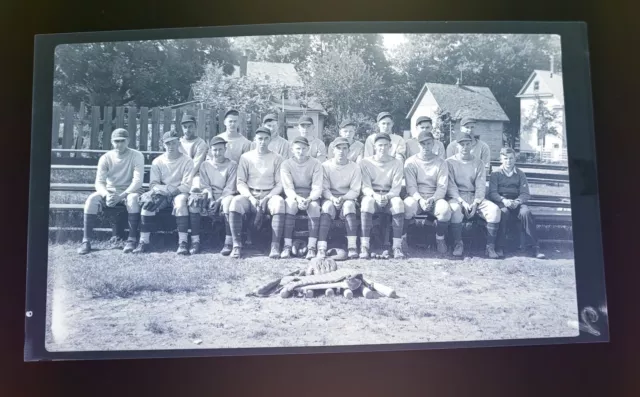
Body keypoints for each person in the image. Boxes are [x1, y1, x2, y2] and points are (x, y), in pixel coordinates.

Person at [77, 128, 145, 255]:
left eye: (122, 141)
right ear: (111, 142)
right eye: (116, 141)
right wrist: (106, 195)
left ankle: (131, 239)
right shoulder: (106, 157)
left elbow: (137, 182)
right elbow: (99, 182)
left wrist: (121, 196)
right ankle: (86, 241)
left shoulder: (137, 155)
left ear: (128, 141)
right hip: (110, 191)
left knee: (133, 199)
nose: (119, 144)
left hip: (129, 191)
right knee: (91, 200)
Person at [228, 127, 286, 259]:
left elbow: (279, 184)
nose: (263, 142)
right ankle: (237, 245)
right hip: (250, 194)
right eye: (260, 139)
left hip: (269, 195)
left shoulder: (277, 158)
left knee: (279, 203)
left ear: (270, 140)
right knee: (235, 203)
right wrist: (250, 197)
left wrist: (268, 197)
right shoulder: (246, 157)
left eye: (266, 139)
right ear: (255, 140)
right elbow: (240, 182)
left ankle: (275, 245)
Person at [135, 130, 194, 255]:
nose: (171, 146)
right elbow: (153, 184)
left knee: (181, 203)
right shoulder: (158, 161)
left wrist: (172, 191)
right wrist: (164, 190)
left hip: (179, 192)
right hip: (162, 192)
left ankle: (182, 242)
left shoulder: (187, 160)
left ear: (178, 142)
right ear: (163, 145)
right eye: (168, 144)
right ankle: (143, 241)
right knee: (148, 204)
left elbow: (187, 185)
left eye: (173, 143)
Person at [446, 133, 501, 258]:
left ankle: (490, 247)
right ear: (457, 146)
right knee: (455, 210)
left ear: (472, 145)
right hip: (457, 197)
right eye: (462, 144)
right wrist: (462, 202)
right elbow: (451, 186)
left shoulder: (479, 163)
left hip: (475, 196)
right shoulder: (449, 162)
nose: (465, 147)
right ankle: (458, 244)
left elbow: (481, 185)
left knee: (495, 210)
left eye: (467, 144)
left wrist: (476, 202)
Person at [489, 147, 546, 259]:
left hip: (517, 201)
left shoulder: (520, 174)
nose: (508, 161)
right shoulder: (495, 174)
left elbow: (525, 193)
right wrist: (503, 200)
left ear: (515, 159)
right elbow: (492, 193)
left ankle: (535, 247)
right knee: (503, 213)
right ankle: (500, 247)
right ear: (501, 159)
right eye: (505, 158)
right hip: (502, 201)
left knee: (526, 213)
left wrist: (517, 201)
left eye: (511, 158)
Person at [403, 131, 452, 254]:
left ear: (433, 144)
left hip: (434, 197)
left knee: (445, 210)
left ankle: (439, 238)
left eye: (428, 143)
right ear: (418, 145)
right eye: (422, 144)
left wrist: (433, 199)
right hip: (416, 197)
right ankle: (402, 238)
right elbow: (411, 187)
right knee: (406, 207)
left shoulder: (441, 162)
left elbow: (442, 187)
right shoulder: (410, 162)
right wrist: (420, 200)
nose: (425, 147)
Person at [359, 133, 406, 259]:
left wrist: (387, 196)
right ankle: (365, 246)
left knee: (398, 203)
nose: (383, 148)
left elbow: (396, 188)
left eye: (386, 145)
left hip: (389, 195)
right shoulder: (365, 162)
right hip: (373, 195)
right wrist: (375, 196)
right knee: (366, 202)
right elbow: (365, 186)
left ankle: (397, 246)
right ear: (374, 147)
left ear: (390, 146)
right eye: (380, 145)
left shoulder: (396, 163)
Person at [190, 136, 238, 256]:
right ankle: (195, 241)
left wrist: (219, 200)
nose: (217, 153)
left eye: (220, 150)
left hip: (225, 195)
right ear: (210, 150)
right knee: (194, 204)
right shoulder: (205, 165)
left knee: (228, 203)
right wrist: (211, 198)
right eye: (215, 150)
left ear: (225, 150)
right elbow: (205, 185)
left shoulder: (232, 165)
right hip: (209, 195)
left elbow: (230, 187)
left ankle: (228, 242)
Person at [280, 136, 323, 259]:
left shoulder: (316, 163)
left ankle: (311, 247)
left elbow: (317, 186)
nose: (301, 151)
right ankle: (287, 246)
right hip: (294, 195)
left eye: (304, 148)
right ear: (292, 150)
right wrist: (298, 198)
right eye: (298, 149)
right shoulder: (286, 164)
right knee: (290, 205)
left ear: (308, 149)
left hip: (310, 195)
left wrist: (309, 199)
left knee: (314, 207)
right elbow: (288, 187)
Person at [319, 137, 363, 259]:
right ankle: (321, 247)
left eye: (344, 148)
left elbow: (355, 190)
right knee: (327, 206)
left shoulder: (355, 167)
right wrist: (332, 198)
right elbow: (324, 188)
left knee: (349, 206)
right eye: (338, 148)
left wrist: (344, 198)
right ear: (333, 150)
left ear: (349, 150)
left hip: (347, 198)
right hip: (330, 198)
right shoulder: (325, 166)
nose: (341, 151)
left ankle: (352, 246)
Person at [179, 114, 209, 180]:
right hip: (179, 174)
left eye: (190, 127)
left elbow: (196, 164)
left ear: (195, 127)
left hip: (195, 175)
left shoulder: (200, 143)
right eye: (185, 127)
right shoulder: (178, 143)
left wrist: (185, 179)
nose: (187, 130)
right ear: (182, 128)